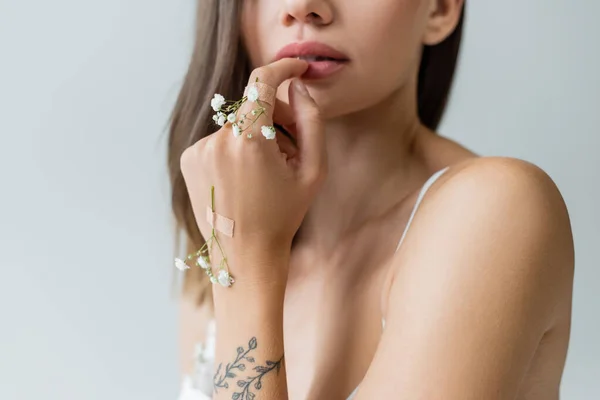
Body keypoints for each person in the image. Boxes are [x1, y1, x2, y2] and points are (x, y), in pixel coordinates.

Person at [167, 1, 574, 399]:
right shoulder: (225, 226)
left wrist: (246, 274)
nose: (302, 7)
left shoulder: (495, 214)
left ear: (440, 9)